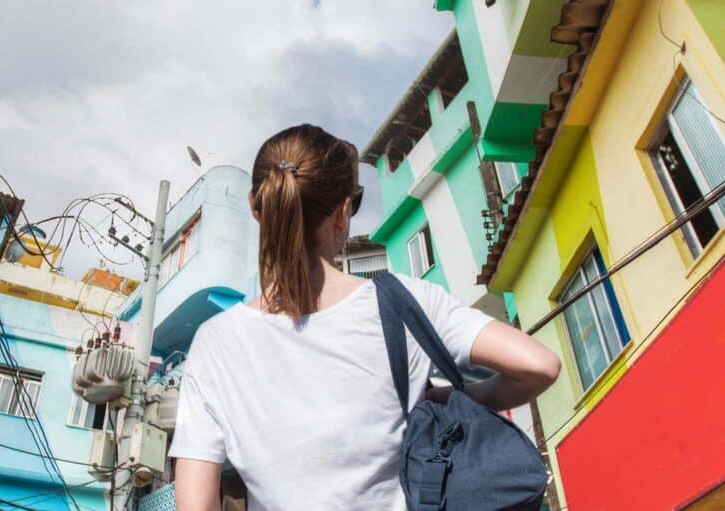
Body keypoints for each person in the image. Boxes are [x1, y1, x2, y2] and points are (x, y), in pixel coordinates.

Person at [170, 124, 560, 510]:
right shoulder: (406, 302)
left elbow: (195, 504)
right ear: (342, 213)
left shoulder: (214, 343)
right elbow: (539, 366)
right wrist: (448, 397)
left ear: (257, 207)